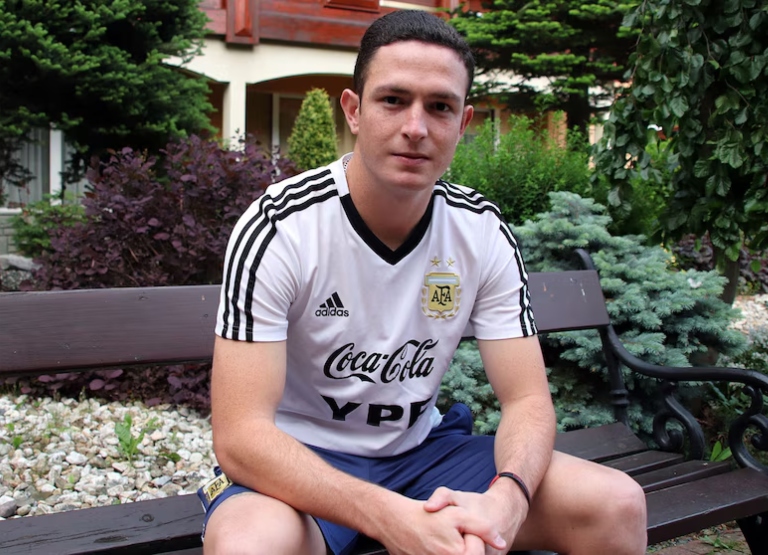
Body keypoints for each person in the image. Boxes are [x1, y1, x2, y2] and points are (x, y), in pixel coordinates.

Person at [197, 9, 647, 555]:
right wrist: (391, 517)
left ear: (463, 122)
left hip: (424, 455)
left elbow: (527, 400)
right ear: (354, 110)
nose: (416, 127)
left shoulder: (481, 230)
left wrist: (507, 501)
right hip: (301, 463)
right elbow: (241, 436)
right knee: (249, 545)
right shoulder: (280, 226)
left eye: (440, 107)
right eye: (393, 100)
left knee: (616, 505)